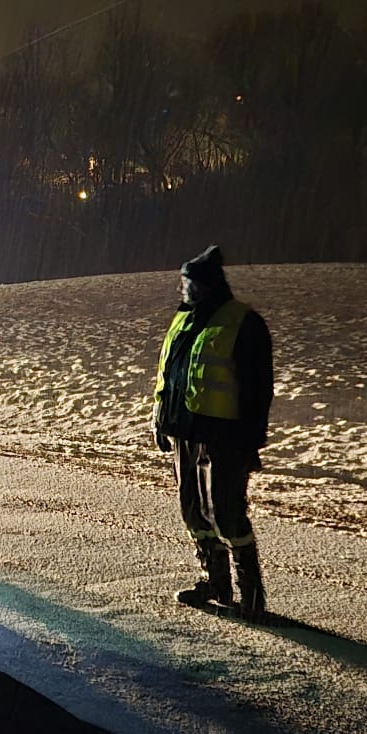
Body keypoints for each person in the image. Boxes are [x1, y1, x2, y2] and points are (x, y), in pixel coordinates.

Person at [153, 245, 274, 619]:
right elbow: (169, 375)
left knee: (226, 513)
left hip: (224, 437)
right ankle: (215, 581)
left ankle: (250, 591)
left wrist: (251, 439)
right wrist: (160, 418)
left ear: (206, 285)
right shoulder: (185, 319)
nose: (183, 289)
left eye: (188, 283)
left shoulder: (243, 322)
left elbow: (258, 387)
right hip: (184, 432)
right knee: (193, 511)